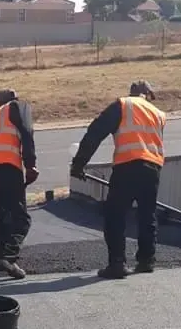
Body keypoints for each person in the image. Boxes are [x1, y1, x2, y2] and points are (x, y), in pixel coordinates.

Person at [70, 81, 166, 279]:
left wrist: (79, 164)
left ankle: (117, 264)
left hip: (128, 166)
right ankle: (147, 260)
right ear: (147, 94)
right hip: (153, 168)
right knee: (147, 214)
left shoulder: (122, 105)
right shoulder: (158, 113)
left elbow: (95, 132)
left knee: (115, 214)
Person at [0, 89, 40, 280]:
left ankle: (1, 255)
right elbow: (27, 132)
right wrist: (30, 165)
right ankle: (9, 257)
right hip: (9, 166)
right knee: (21, 218)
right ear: (14, 99)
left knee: (3, 212)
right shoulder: (17, 107)